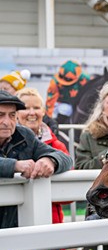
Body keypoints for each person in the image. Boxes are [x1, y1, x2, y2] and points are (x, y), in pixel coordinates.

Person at [0, 90, 73, 229]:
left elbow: (65, 158)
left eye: (12, 115)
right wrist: (15, 165)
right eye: (0, 115)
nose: (7, 122)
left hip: (19, 227)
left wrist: (50, 160)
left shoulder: (24, 135)